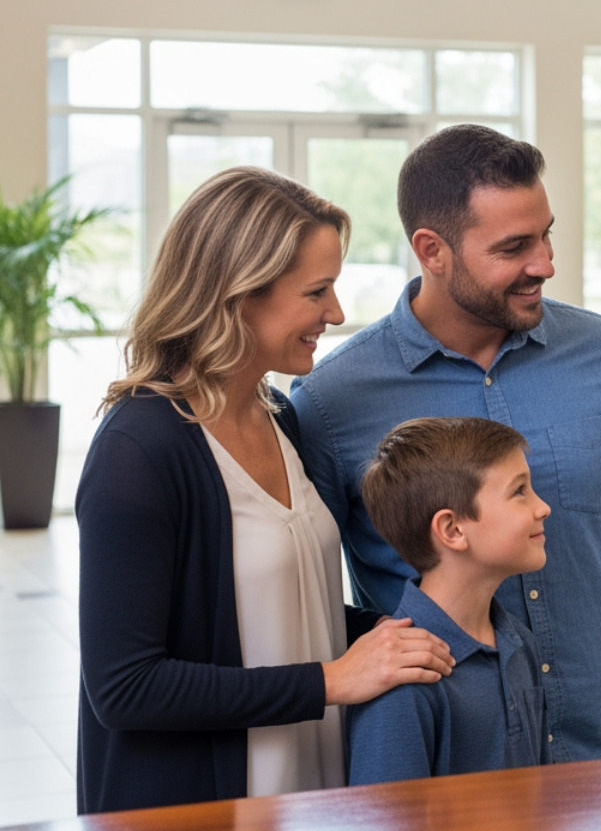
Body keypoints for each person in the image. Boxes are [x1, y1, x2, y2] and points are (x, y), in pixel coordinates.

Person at [290, 124, 601, 762]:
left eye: (547, 234)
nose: (546, 264)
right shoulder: (329, 400)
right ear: (433, 249)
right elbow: (307, 595)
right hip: (450, 762)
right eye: (514, 247)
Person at [76, 168, 455, 814]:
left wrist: (406, 631)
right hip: (201, 806)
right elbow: (127, 688)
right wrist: (333, 681)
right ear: (238, 294)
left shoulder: (280, 416)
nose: (335, 314)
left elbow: (278, 612)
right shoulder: (138, 450)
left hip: (306, 792)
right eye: (317, 291)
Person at [348, 417, 551, 784]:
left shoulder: (520, 643)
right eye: (520, 491)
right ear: (453, 530)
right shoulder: (401, 681)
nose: (543, 507)